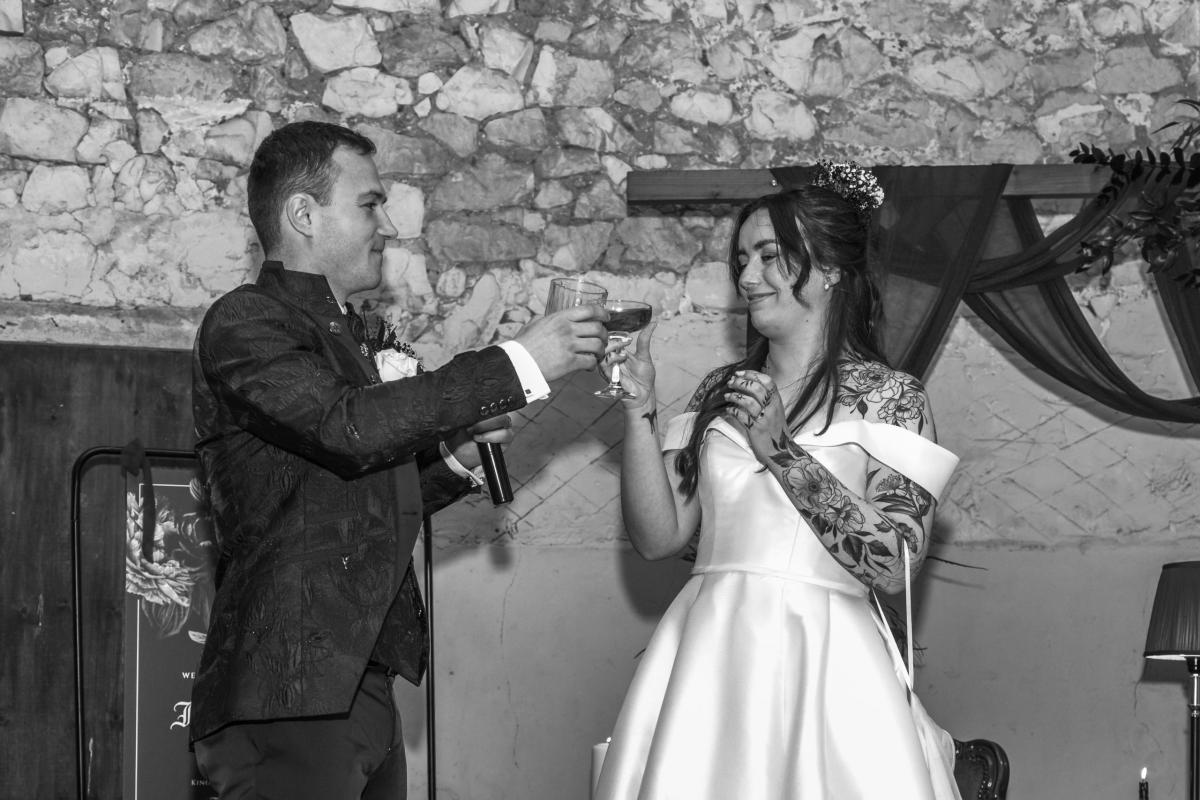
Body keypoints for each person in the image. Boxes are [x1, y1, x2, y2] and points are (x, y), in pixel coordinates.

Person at [188, 120, 609, 799]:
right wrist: (518, 361)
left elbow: (351, 497)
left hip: (360, 684)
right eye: (369, 204)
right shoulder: (247, 321)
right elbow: (347, 429)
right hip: (289, 687)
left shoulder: (349, 337)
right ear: (303, 214)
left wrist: (456, 461)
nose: (387, 225)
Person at [594, 163, 963, 799]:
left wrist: (782, 452)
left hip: (826, 660)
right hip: (709, 655)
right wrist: (639, 408)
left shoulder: (891, 397)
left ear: (832, 268)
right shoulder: (720, 390)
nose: (746, 278)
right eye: (741, 260)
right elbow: (659, 539)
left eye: (769, 257)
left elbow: (895, 562)